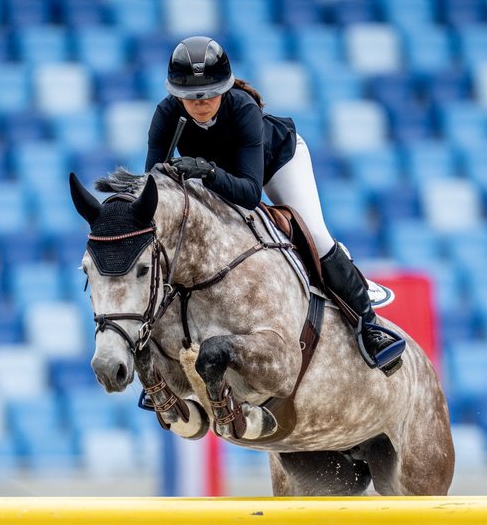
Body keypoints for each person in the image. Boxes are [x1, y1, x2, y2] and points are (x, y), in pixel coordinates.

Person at [144, 35, 405, 375]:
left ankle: (370, 327)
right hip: (216, 178)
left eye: (209, 93)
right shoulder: (165, 115)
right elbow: (154, 184)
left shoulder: (243, 110)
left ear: (224, 88)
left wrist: (206, 171)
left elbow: (251, 194)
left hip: (276, 164)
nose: (201, 101)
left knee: (314, 233)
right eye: (191, 96)